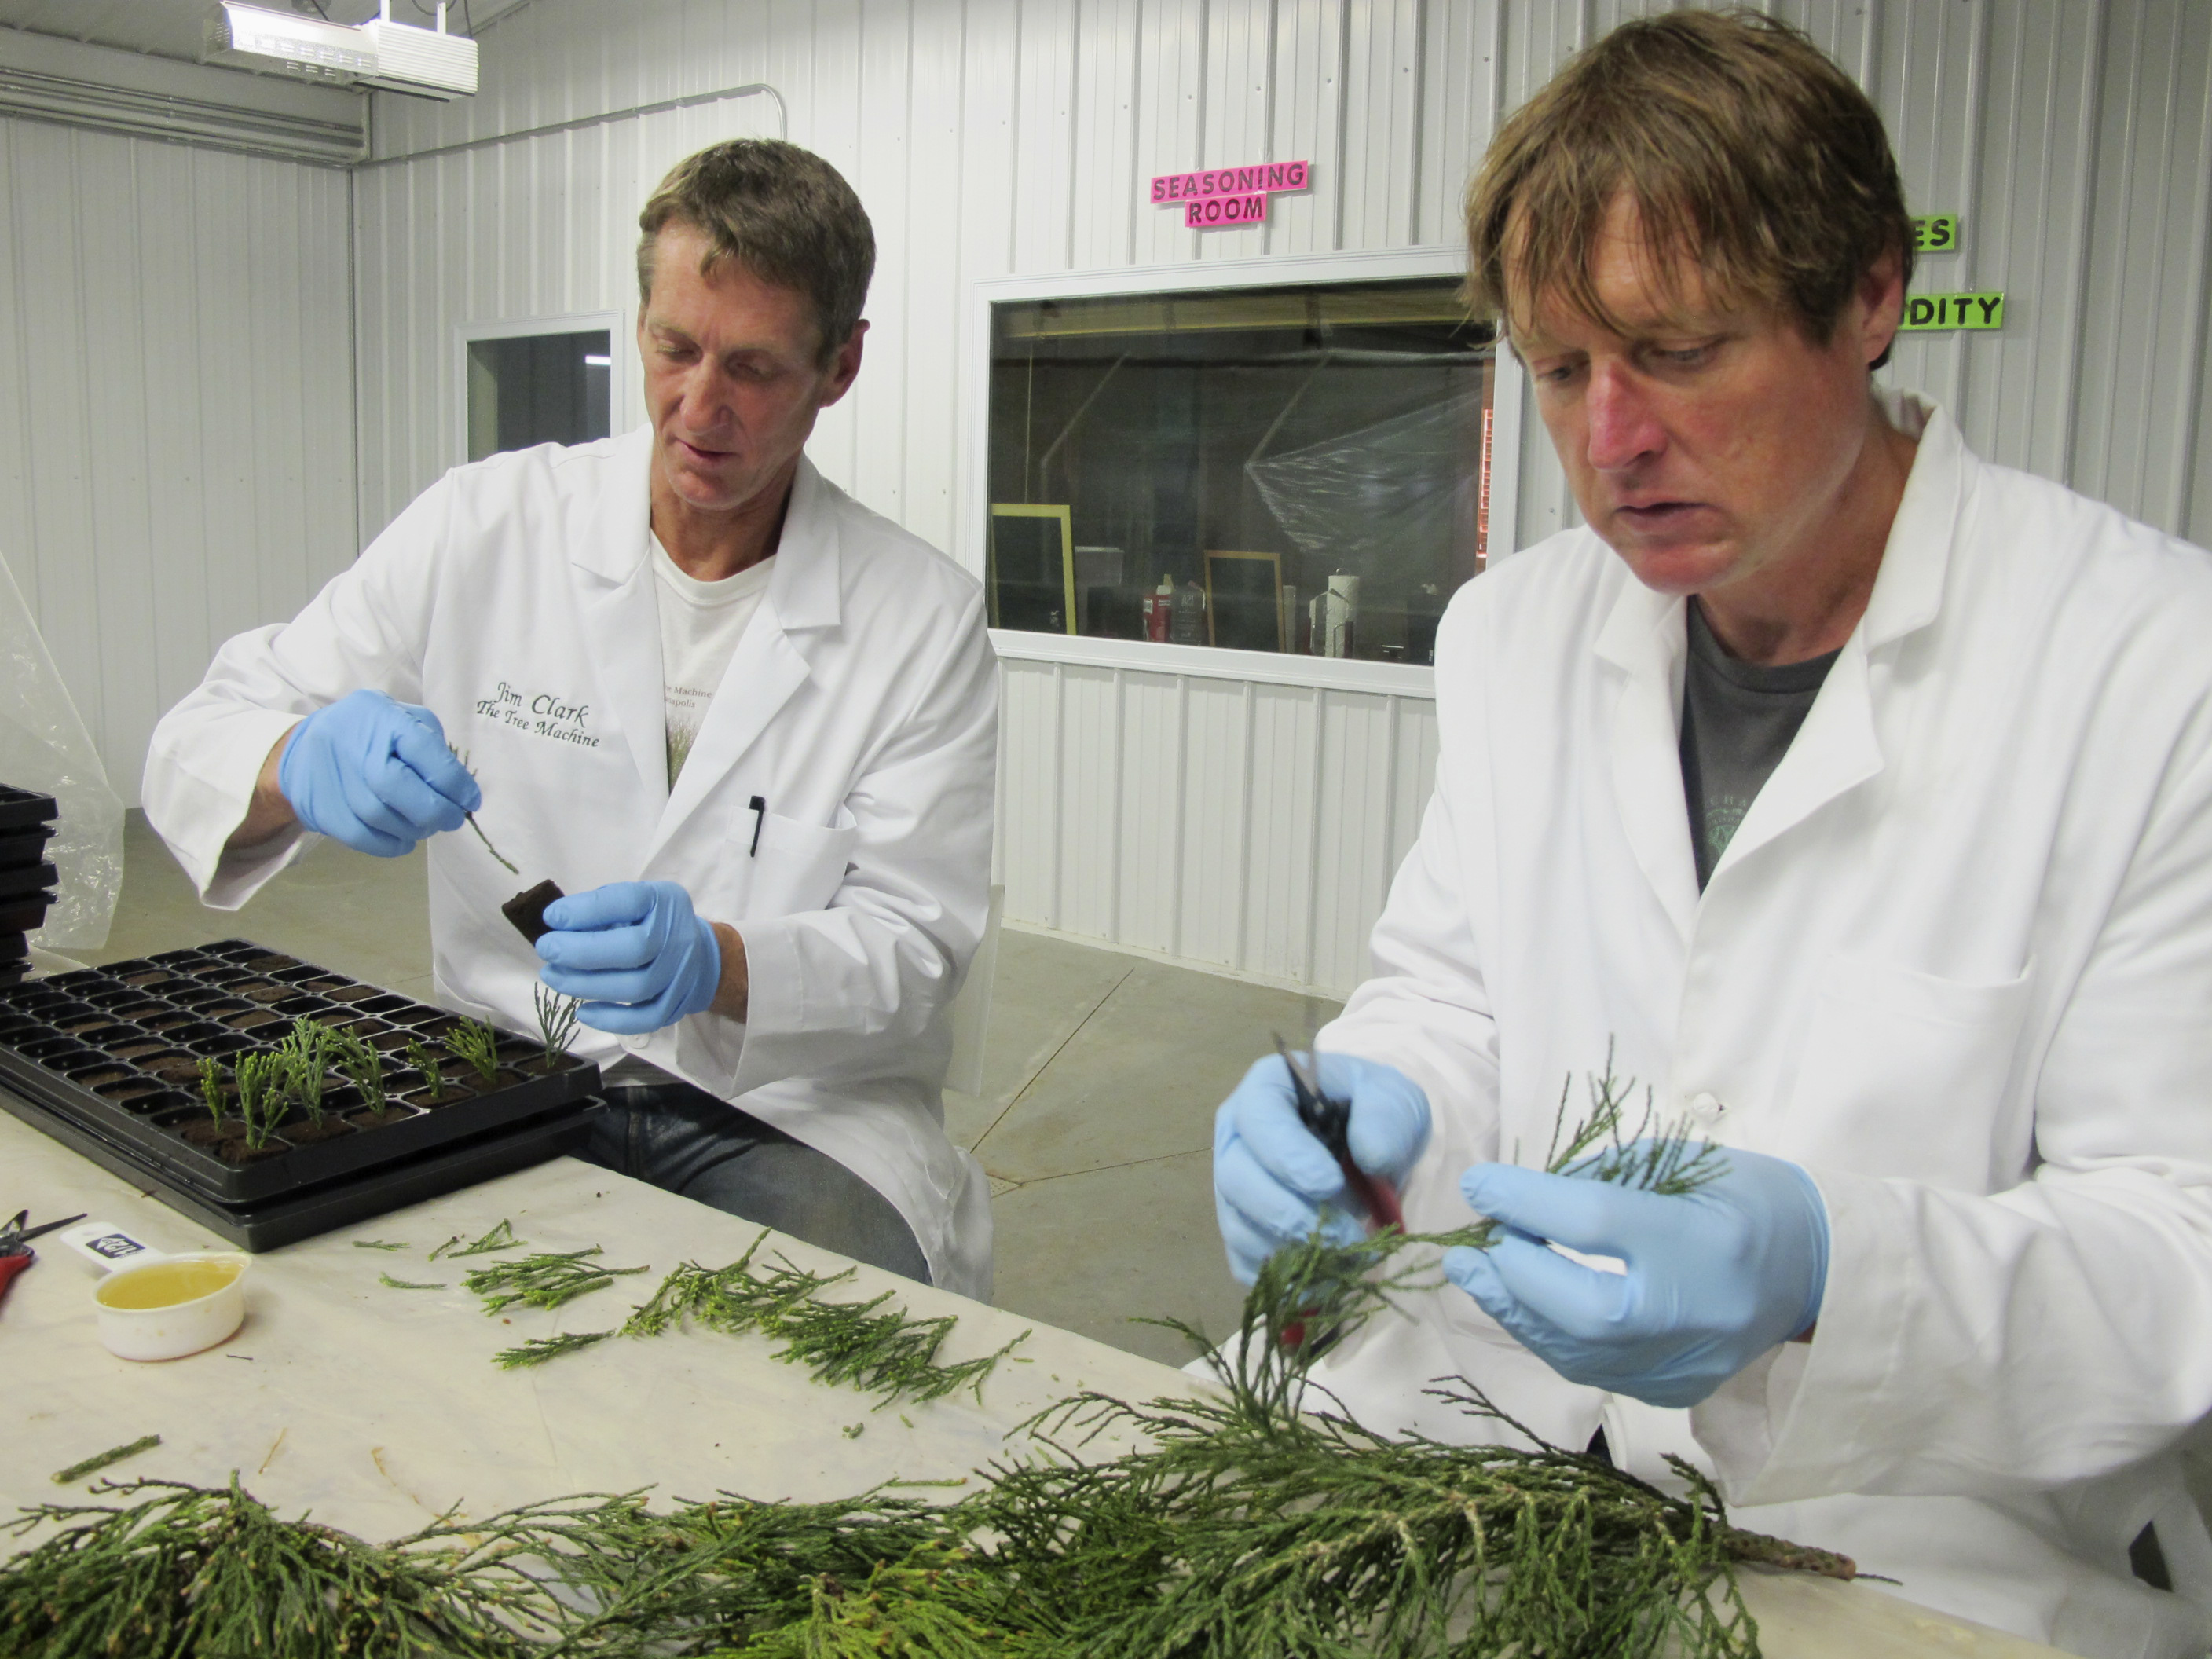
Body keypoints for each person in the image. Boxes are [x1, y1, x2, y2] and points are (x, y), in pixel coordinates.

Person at [1210, 13, 2212, 1656]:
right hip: (1499, 1435)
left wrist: (1829, 1271)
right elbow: (1448, 997)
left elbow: (2173, 1245)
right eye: (1556, 368)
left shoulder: (2147, 667)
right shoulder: (1510, 634)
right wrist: (1369, 1104)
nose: (1609, 443)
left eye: (1677, 351)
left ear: (1868, 294)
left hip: (1915, 1530)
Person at [144, 141, 996, 1299]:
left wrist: (723, 966)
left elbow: (915, 944)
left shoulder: (920, 618)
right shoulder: (487, 525)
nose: (699, 408)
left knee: (821, 1357)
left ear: (839, 365)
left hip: (789, 1112)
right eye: (674, 348)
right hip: (510, 1072)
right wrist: (299, 759)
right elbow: (201, 736)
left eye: (752, 368)